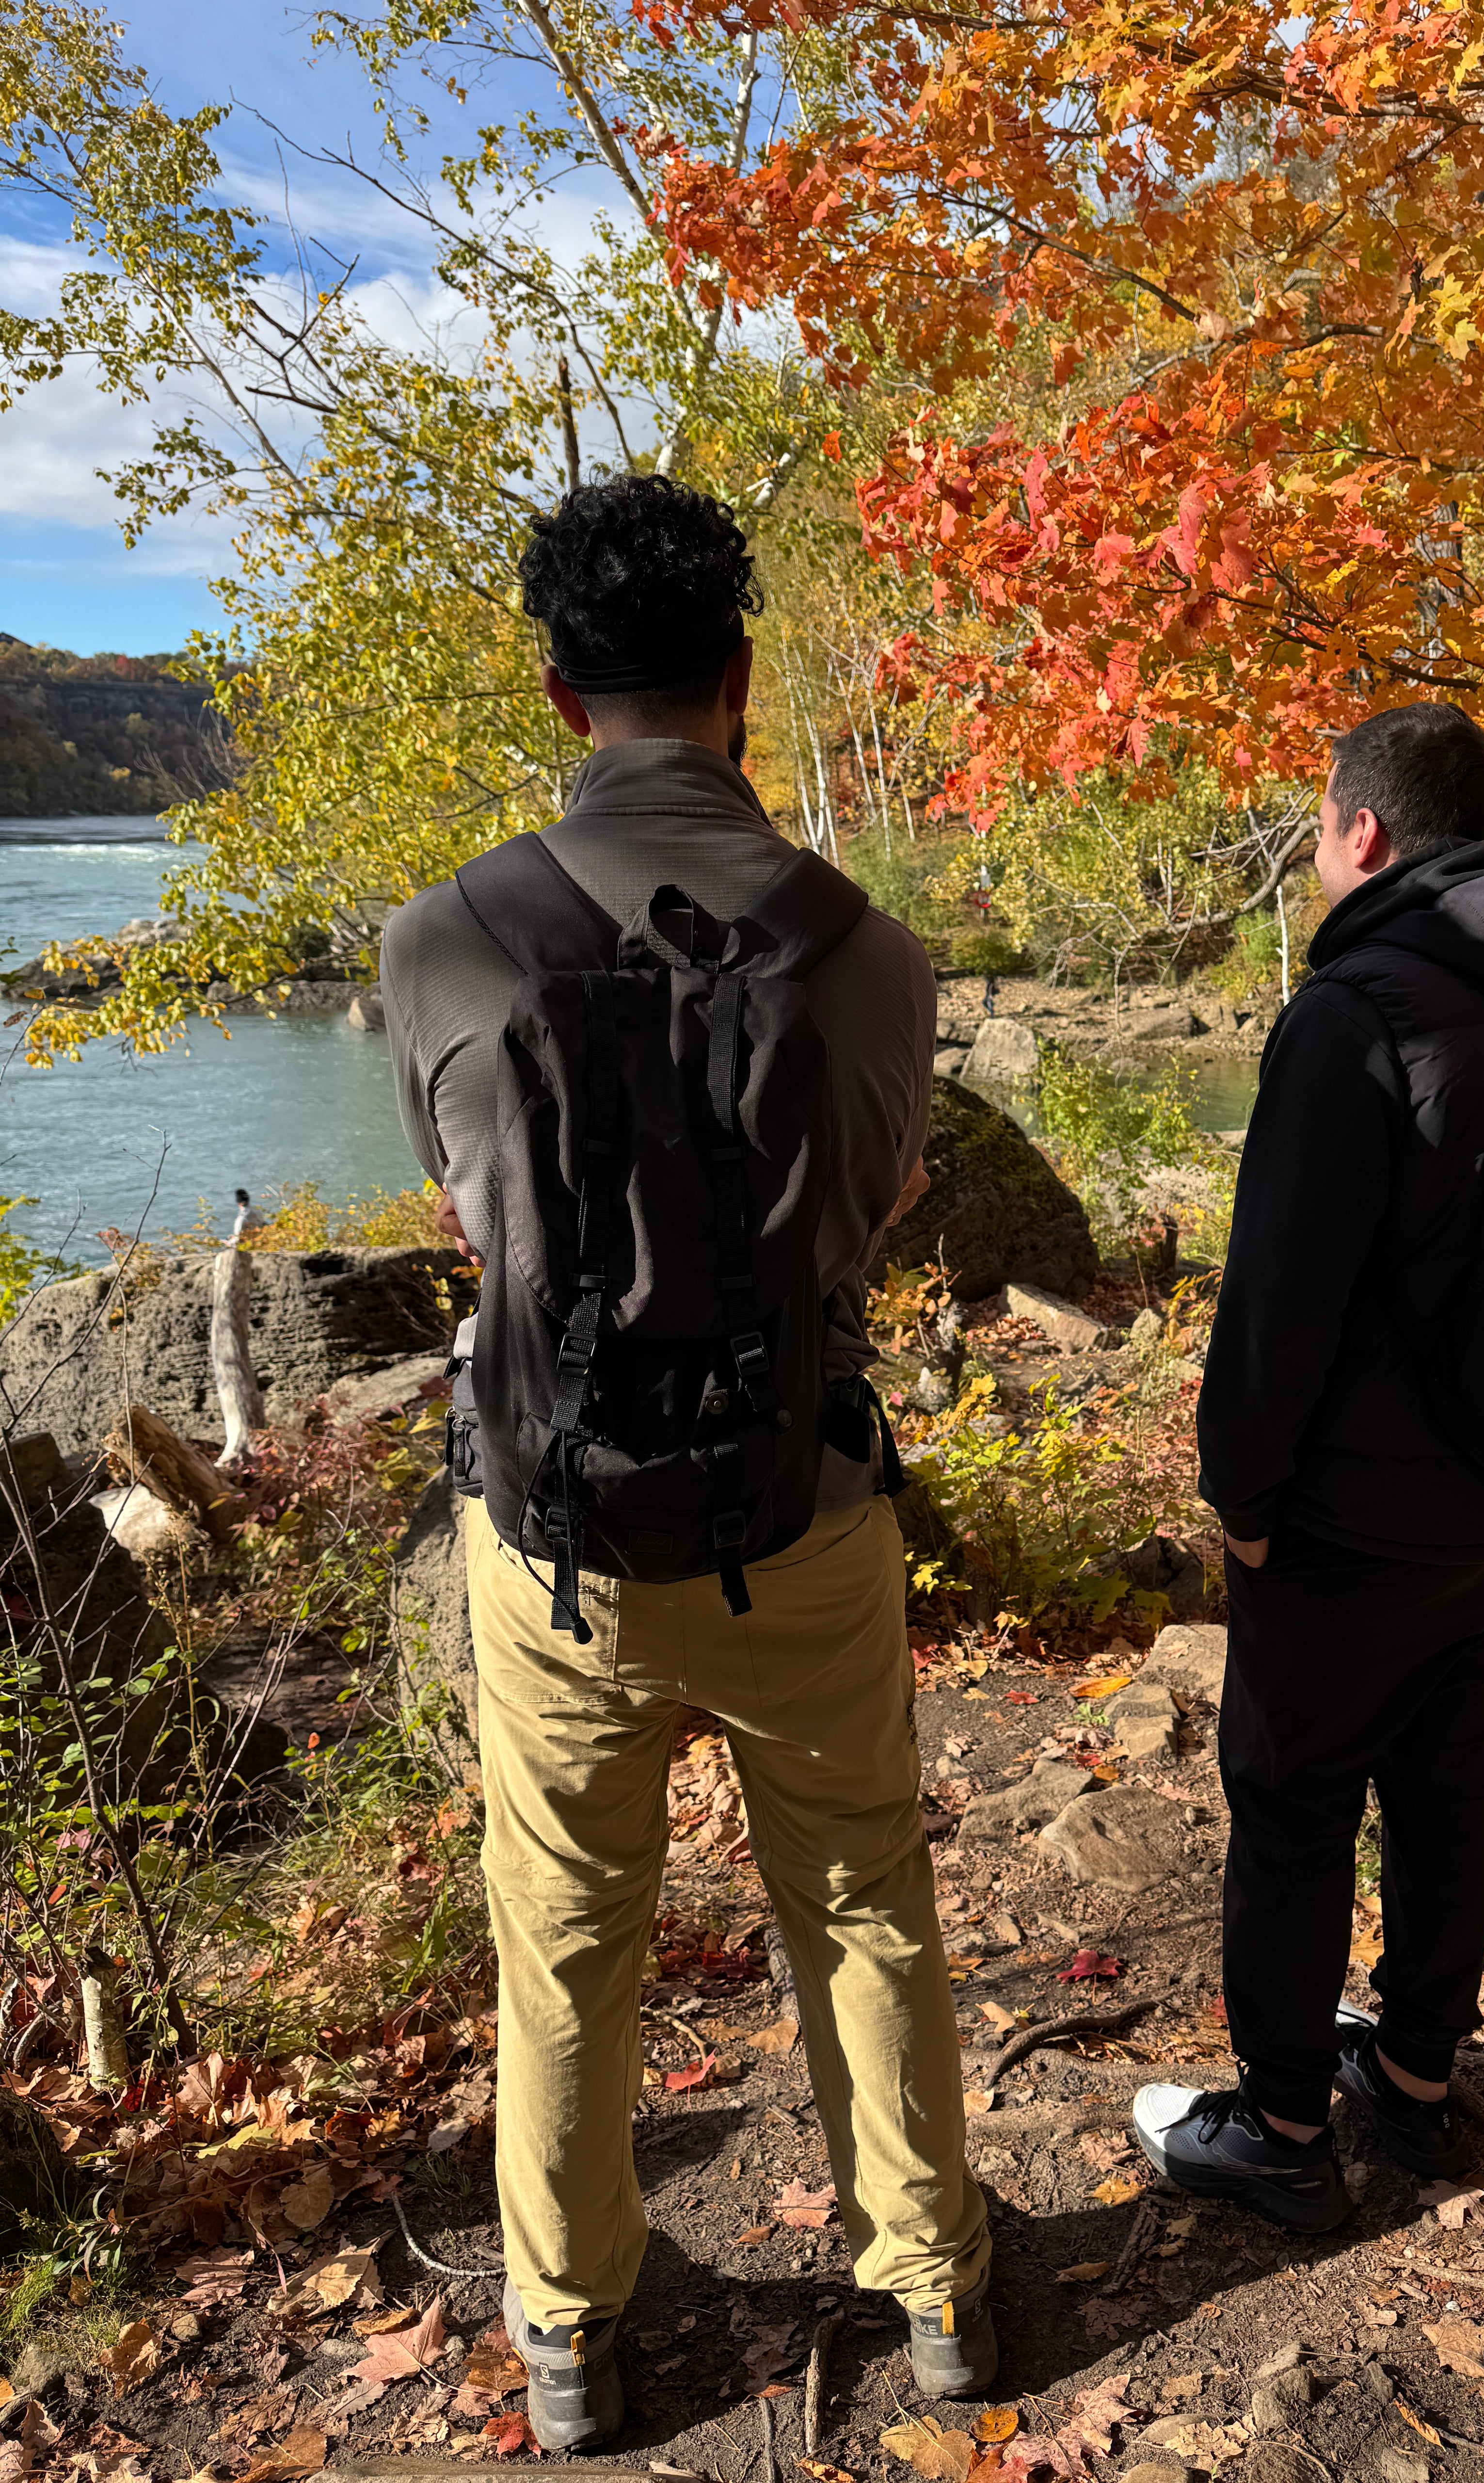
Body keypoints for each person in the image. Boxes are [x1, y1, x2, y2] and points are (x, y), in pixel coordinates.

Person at [380, 476, 992, 2446]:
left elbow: (473, 1222)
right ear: (743, 682)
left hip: (556, 1535)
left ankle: (569, 2330)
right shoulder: (869, 950)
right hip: (803, 1508)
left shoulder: (441, 941)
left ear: (566, 696)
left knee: (562, 1930)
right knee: (869, 1895)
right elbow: (879, 1203)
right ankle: (937, 2281)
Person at [1131, 703, 1484, 2231]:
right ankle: (1413, 2085)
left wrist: (1245, 1499)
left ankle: (1285, 2128)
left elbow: (1277, 1301)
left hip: (1359, 1506)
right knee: (1438, 1766)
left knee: (1289, 1796)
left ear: (1361, 831)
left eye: (1315, 826)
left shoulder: (1358, 1008)